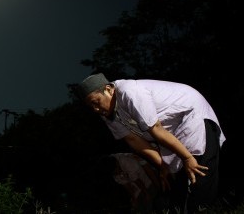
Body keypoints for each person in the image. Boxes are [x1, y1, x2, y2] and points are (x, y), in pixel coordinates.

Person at [77, 73, 226, 213]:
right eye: (91, 107)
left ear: (108, 89)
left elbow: (156, 128)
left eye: (96, 102)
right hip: (171, 134)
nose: (95, 109)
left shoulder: (130, 92)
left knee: (199, 175)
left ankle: (205, 207)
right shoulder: (107, 114)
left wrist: (187, 158)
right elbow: (134, 140)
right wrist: (163, 166)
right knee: (179, 186)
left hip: (190, 116)